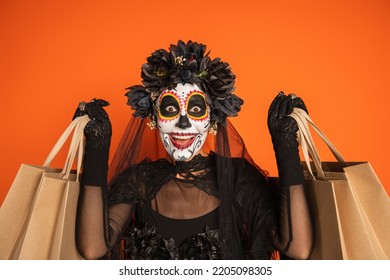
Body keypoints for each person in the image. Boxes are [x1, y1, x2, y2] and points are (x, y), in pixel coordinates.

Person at [73, 40, 313, 260]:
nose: (183, 123)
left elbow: (297, 248)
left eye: (196, 110)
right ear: (155, 118)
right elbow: (93, 248)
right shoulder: (140, 181)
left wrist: (286, 147)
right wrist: (97, 147)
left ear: (211, 120)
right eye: (170, 109)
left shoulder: (238, 179)